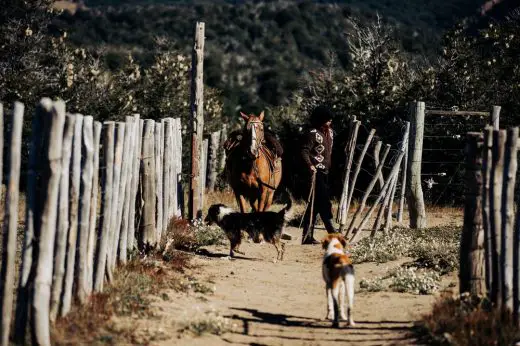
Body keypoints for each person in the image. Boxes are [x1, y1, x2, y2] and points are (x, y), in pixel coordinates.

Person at [300, 105, 338, 245]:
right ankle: (333, 234)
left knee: (314, 206)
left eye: (330, 120)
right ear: (320, 120)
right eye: (327, 120)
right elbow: (304, 151)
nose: (329, 122)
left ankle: (306, 237)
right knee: (324, 203)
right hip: (315, 173)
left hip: (325, 172)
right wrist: (310, 166)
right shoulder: (311, 133)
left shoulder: (330, 133)